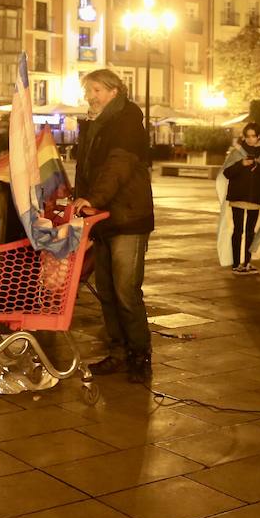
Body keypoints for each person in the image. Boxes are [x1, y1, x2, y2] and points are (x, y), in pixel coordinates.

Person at [70, 69, 155, 384]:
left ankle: (139, 355)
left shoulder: (127, 123)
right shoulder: (96, 125)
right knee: (105, 290)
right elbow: (88, 169)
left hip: (128, 218)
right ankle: (118, 352)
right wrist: (80, 199)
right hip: (102, 217)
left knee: (125, 290)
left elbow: (118, 166)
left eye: (96, 90)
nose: (90, 96)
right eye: (88, 91)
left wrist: (93, 198)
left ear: (114, 91)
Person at [220, 124, 260, 274]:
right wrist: (241, 164)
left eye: (253, 136)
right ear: (244, 137)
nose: (250, 139)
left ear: (258, 137)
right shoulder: (236, 152)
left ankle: (247, 262)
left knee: (250, 232)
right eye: (247, 136)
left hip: (255, 197)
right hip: (238, 196)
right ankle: (236, 264)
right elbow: (227, 173)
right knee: (237, 230)